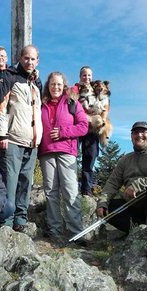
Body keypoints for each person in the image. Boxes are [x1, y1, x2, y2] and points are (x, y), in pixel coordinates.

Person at [0, 44, 43, 232]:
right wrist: (2, 134)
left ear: (38, 61)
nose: (29, 62)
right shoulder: (9, 77)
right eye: (26, 58)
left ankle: (20, 220)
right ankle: (5, 220)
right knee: (9, 183)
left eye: (33, 59)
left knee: (25, 182)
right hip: (12, 139)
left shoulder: (36, 83)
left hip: (32, 142)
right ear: (20, 58)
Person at [95, 121, 147, 232]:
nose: (139, 135)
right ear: (131, 136)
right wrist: (102, 203)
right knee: (109, 207)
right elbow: (113, 183)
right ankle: (138, 231)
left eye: (144, 132)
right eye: (135, 132)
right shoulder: (125, 160)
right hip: (133, 206)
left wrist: (138, 184)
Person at [39, 72, 88, 243]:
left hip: (67, 151)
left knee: (70, 190)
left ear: (64, 86)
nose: (56, 87)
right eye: (53, 84)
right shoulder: (41, 104)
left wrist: (62, 133)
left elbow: (83, 127)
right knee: (51, 193)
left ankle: (76, 232)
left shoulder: (72, 102)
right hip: (46, 152)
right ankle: (55, 231)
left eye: (59, 84)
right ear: (48, 86)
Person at [71, 66, 99, 196]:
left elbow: (105, 106)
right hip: (77, 126)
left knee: (90, 157)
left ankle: (86, 190)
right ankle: (70, 186)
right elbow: (71, 105)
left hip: (92, 128)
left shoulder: (97, 89)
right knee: (72, 156)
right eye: (84, 75)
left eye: (89, 75)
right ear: (80, 76)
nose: (87, 78)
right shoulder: (75, 89)